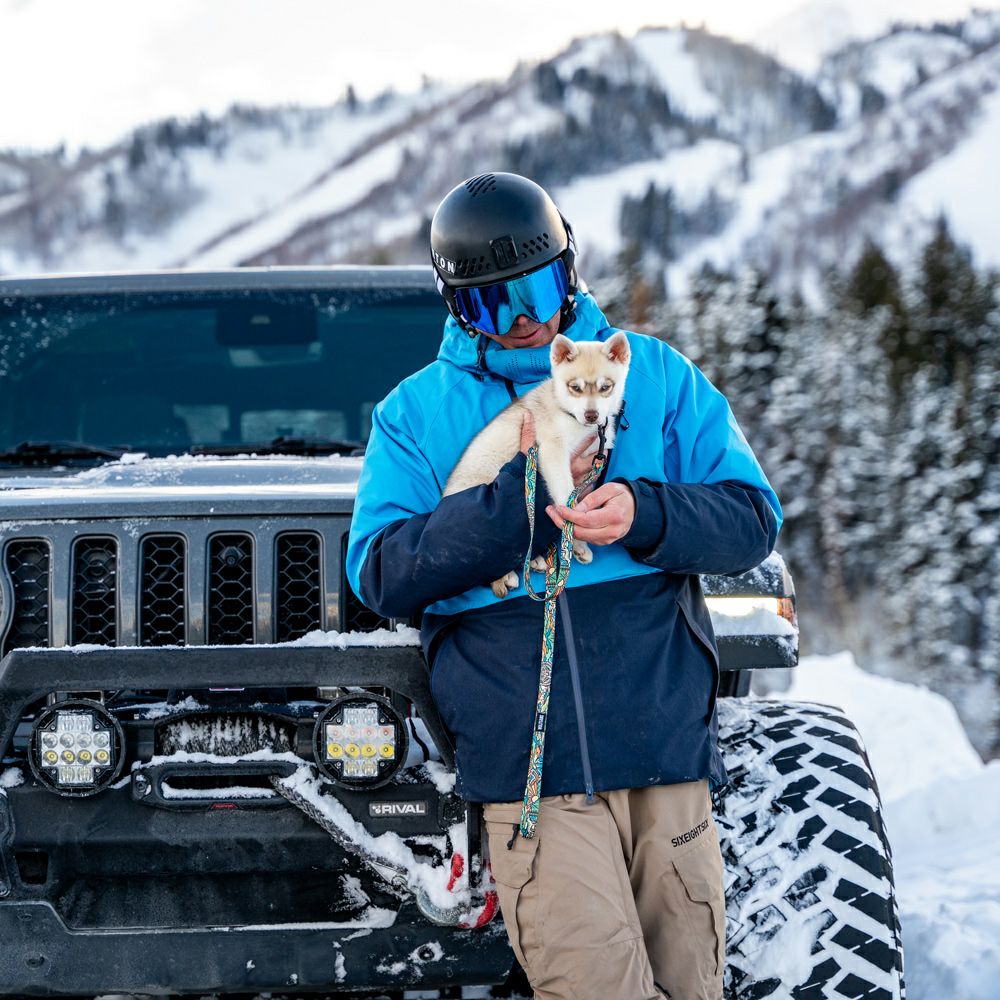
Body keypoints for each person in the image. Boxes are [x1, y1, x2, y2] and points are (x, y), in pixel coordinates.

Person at [346, 172, 781, 1000]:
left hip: (663, 754)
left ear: (569, 269)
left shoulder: (652, 375)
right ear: (456, 306)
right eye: (491, 303)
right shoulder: (416, 414)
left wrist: (648, 512)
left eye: (537, 290)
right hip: (533, 776)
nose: (522, 321)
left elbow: (751, 516)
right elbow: (382, 570)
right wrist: (520, 505)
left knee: (693, 985)